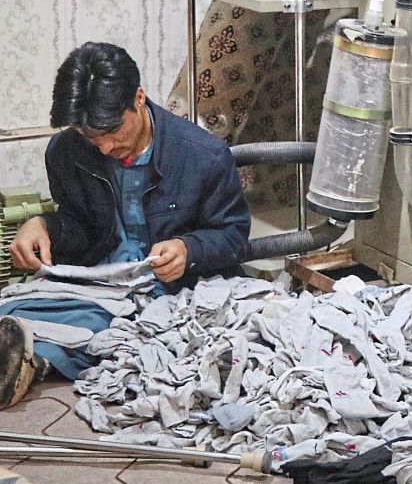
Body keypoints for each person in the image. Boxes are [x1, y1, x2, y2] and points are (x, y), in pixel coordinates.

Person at [0, 42, 250, 408]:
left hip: (172, 289)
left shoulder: (203, 155)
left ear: (138, 98)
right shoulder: (66, 151)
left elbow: (233, 237)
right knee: (15, 310)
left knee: (107, 330)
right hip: (102, 281)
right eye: (89, 135)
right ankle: (28, 353)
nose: (103, 147)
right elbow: (80, 225)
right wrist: (44, 226)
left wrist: (188, 249)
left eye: (112, 130)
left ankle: (35, 361)